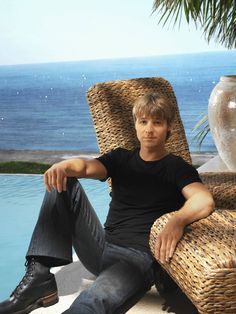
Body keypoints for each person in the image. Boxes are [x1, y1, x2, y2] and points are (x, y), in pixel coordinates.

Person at [0, 93, 215, 314]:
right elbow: (84, 167)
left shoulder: (176, 167)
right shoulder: (121, 158)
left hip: (135, 259)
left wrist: (177, 220)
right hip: (101, 247)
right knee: (62, 183)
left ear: (168, 127)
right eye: (143, 122)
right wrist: (63, 166)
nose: (149, 129)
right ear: (135, 125)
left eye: (157, 123)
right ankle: (39, 279)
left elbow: (203, 200)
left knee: (92, 302)